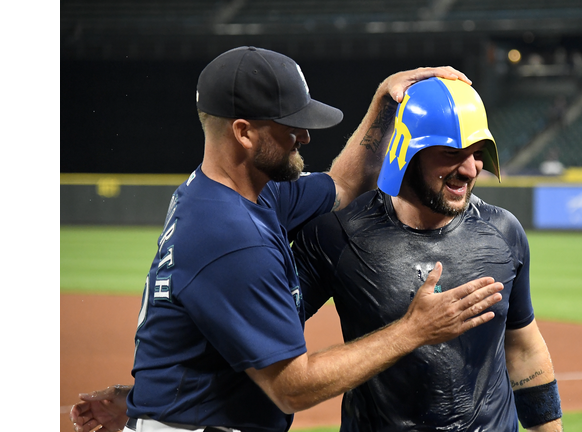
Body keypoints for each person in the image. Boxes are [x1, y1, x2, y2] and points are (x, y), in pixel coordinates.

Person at [69, 46, 504, 432]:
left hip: (180, 416)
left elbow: (343, 183)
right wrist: (413, 329)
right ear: (243, 132)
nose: (306, 136)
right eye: (290, 126)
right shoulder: (231, 238)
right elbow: (291, 388)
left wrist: (383, 102)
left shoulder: (241, 193)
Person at [293, 77, 562, 431]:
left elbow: (524, 349)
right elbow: (269, 346)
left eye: (477, 154)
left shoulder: (504, 232)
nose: (469, 170)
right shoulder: (337, 236)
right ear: (408, 152)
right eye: (451, 154)